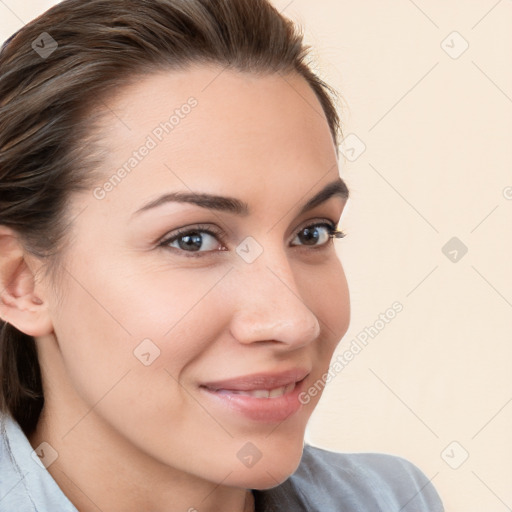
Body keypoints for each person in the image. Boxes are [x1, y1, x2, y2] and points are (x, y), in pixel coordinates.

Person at [0, 0, 444, 510]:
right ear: (22, 282)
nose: (294, 321)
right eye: (193, 240)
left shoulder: (389, 500)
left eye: (312, 233)